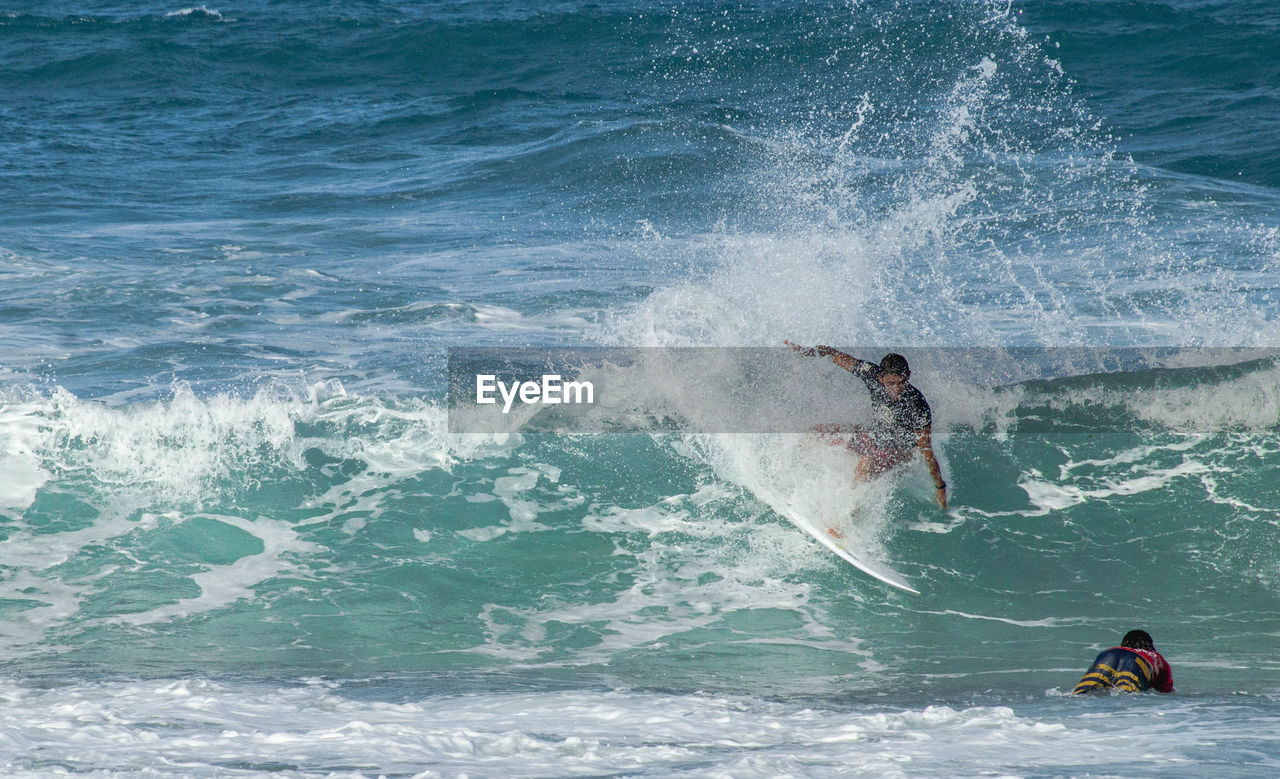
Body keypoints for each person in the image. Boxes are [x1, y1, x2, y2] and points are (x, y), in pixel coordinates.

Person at [785, 341, 947, 509]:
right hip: (876, 436)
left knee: (866, 462)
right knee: (817, 432)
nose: (897, 389)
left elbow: (926, 452)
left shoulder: (917, 406)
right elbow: (833, 354)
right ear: (881, 377)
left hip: (901, 450)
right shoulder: (870, 373)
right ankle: (788, 476)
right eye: (891, 383)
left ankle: (846, 517)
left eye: (902, 382)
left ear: (908, 376)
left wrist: (940, 486)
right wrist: (809, 351)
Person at [1073, 630, 1174, 695]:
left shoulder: (1119, 648)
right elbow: (1165, 691)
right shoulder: (1156, 656)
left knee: (1081, 695)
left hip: (1108, 654)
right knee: (1125, 696)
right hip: (1136, 662)